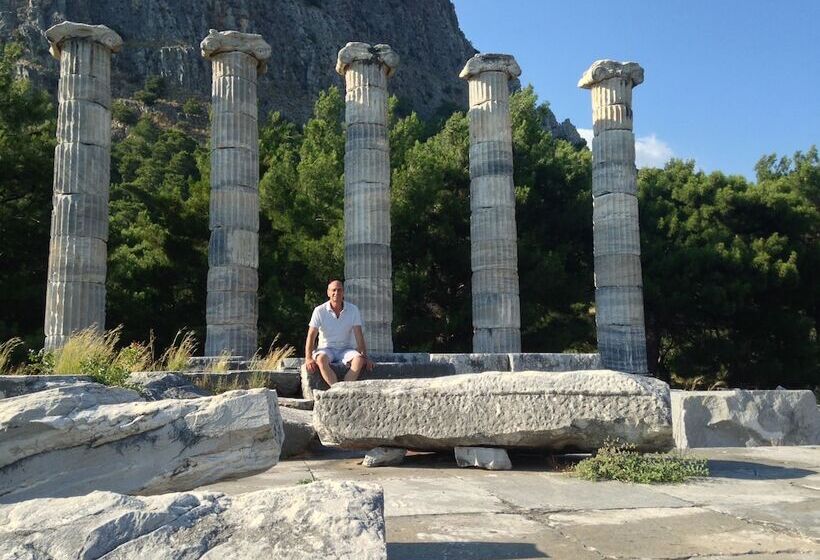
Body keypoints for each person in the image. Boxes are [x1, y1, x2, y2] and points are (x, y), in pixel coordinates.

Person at [304, 280, 374, 386]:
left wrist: (365, 356)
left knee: (359, 360)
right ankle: (335, 389)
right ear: (328, 292)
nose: (336, 293)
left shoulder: (353, 310)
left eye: (339, 290)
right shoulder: (319, 310)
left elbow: (359, 335)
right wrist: (308, 358)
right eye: (333, 290)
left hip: (346, 349)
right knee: (321, 359)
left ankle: (343, 389)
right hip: (326, 349)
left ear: (343, 292)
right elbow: (311, 336)